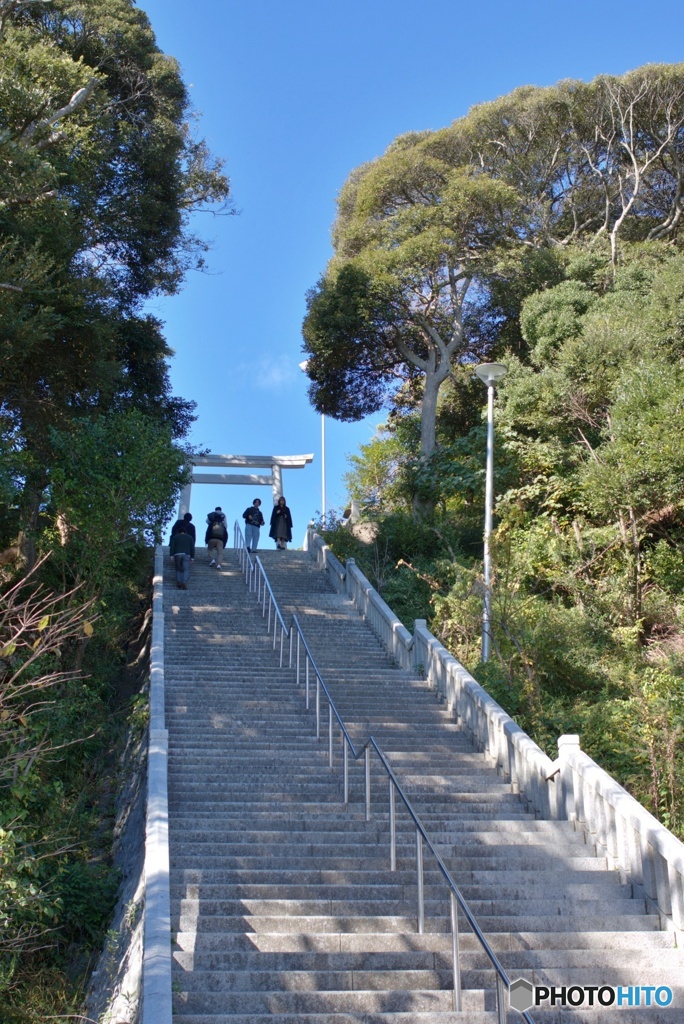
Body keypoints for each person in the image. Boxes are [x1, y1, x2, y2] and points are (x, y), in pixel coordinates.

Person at [169, 522, 194, 589]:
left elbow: (172, 546)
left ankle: (179, 582)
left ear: (179, 532)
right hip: (186, 555)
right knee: (186, 569)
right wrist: (192, 557)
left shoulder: (175, 537)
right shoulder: (189, 537)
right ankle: (184, 582)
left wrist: (171, 555)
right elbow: (192, 547)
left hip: (177, 554)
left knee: (178, 569)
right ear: (185, 532)